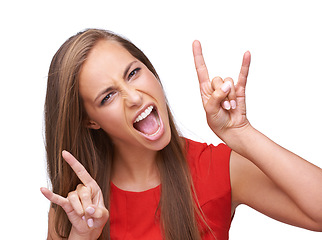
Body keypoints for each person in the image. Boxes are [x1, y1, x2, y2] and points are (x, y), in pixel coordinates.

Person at [40, 28, 322, 240]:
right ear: (90, 121)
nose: (134, 97)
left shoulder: (218, 168)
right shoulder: (76, 209)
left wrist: (242, 133)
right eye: (108, 96)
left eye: (133, 73)